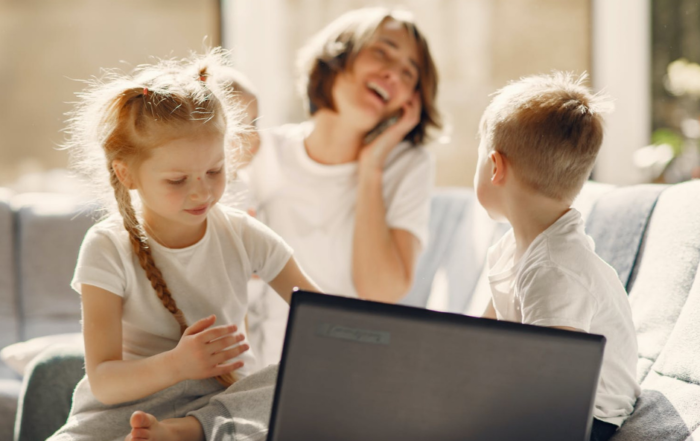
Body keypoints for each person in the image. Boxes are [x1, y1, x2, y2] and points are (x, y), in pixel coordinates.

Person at [48, 52, 318, 441]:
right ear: (127, 174)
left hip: (220, 412)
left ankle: (182, 431)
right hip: (121, 415)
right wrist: (178, 365)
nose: (203, 191)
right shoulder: (107, 247)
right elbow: (104, 383)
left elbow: (326, 321)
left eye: (215, 171)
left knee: (286, 379)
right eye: (177, 180)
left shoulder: (245, 234)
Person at [240, 7, 442, 366]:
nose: (394, 72)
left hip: (352, 372)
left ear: (410, 100)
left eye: (409, 72)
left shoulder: (407, 165)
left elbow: (379, 292)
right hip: (260, 376)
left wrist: (370, 168)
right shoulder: (261, 151)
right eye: (382, 51)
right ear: (339, 53)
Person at [475, 72, 640, 441]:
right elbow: (478, 342)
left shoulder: (554, 267)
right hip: (548, 397)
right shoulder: (511, 250)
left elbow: (557, 387)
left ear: (495, 166)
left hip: (588, 416)